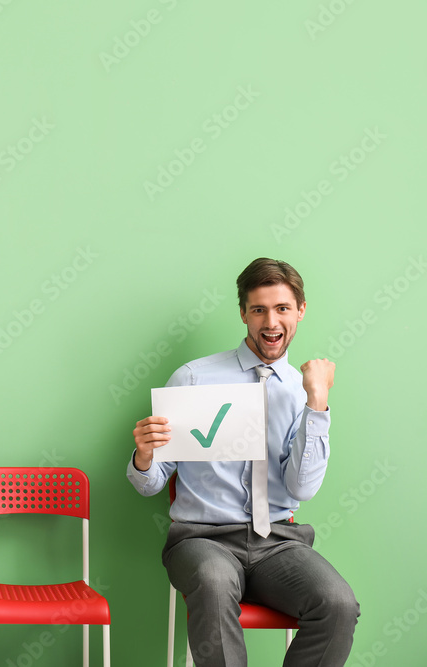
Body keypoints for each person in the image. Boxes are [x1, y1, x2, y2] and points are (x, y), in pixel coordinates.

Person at [126, 258, 359, 666]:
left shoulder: (302, 391)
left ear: (300, 310)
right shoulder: (194, 378)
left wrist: (317, 404)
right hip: (202, 540)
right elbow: (151, 483)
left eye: (283, 308)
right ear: (243, 314)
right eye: (259, 310)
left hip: (279, 544)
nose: (271, 322)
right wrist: (145, 457)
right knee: (214, 581)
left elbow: (302, 488)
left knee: (338, 604)